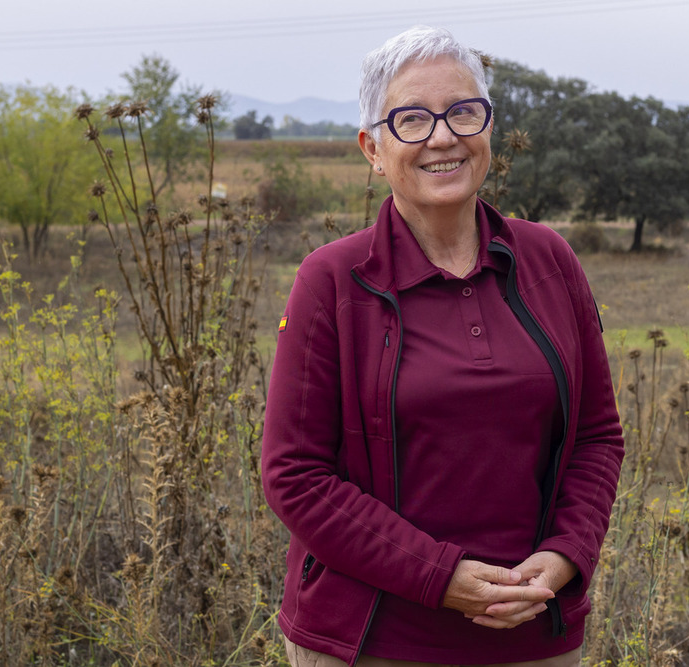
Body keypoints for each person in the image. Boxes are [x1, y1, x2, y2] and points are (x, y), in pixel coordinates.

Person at [261, 25, 624, 667]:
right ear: (373, 148)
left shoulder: (550, 261)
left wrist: (565, 557)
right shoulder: (331, 281)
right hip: (374, 643)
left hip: (534, 633)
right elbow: (296, 476)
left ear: (487, 129)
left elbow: (597, 436)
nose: (442, 136)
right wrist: (441, 577)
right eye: (412, 119)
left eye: (463, 111)